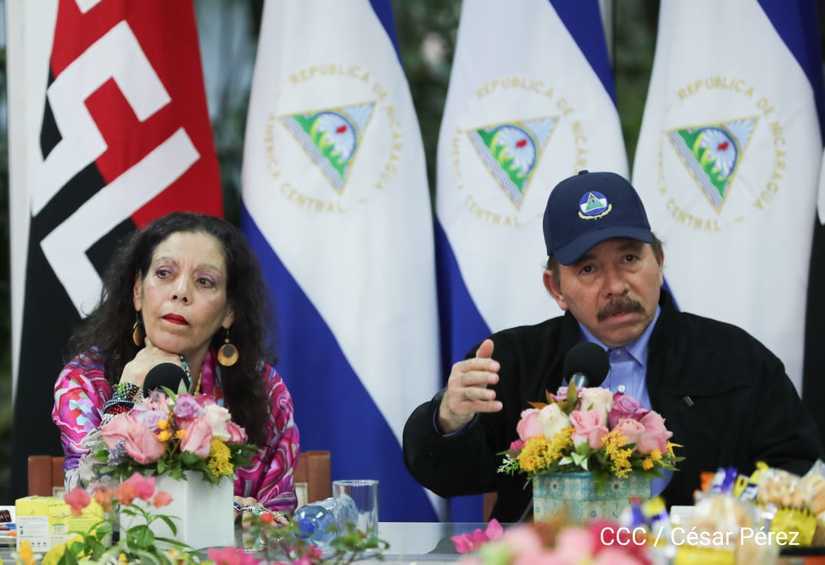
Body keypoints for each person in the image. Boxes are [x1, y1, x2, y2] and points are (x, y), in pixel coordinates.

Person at [403, 170, 823, 522]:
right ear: (556, 288)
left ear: (659, 261)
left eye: (630, 259)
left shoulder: (734, 359)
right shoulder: (511, 361)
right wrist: (449, 420)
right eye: (588, 269)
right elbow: (449, 477)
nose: (616, 286)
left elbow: (797, 468)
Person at [52, 212, 299, 513]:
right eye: (164, 273)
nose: (181, 292)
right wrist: (127, 393)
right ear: (138, 291)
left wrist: (248, 515)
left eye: (204, 281)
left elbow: (278, 521)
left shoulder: (265, 390)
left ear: (229, 311)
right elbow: (91, 502)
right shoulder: (85, 380)